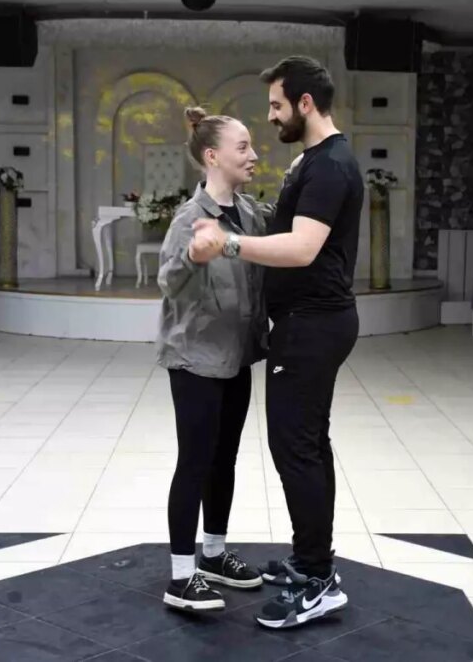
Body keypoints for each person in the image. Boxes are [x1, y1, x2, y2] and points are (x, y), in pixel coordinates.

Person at [189, 56, 364, 629]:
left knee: (296, 448)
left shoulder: (330, 165)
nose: (270, 117)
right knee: (308, 444)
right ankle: (313, 561)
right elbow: (282, 222)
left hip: (314, 324)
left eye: (276, 105)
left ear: (305, 104)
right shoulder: (312, 161)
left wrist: (227, 243)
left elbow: (302, 248)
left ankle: (317, 581)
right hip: (307, 322)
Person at [156, 106, 269, 611]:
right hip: (196, 359)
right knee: (195, 462)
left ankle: (214, 555)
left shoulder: (249, 213)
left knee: (225, 459)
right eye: (243, 147)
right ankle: (181, 578)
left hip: (236, 356)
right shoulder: (189, 218)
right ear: (212, 156)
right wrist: (193, 256)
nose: (254, 154)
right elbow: (167, 281)